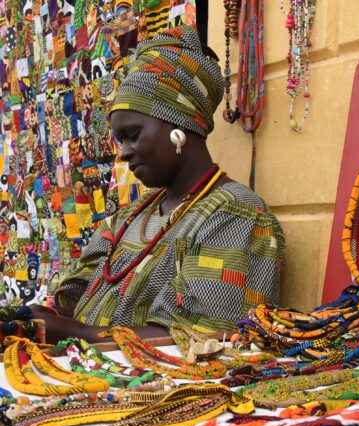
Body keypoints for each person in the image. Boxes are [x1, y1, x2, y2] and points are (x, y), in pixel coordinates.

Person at [32, 25, 285, 343]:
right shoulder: (129, 216)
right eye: (119, 140)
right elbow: (70, 298)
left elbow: (201, 339)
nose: (123, 153)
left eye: (133, 135)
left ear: (179, 126)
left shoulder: (235, 214)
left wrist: (80, 333)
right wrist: (30, 319)